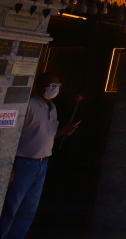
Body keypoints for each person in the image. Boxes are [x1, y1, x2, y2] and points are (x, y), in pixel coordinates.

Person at [0, 73, 77, 239]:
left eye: (57, 85)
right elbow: (9, 136)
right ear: (39, 85)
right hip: (22, 163)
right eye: (51, 85)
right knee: (11, 207)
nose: (54, 89)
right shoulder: (28, 105)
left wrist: (62, 132)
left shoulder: (52, 107)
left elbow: (44, 135)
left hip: (41, 164)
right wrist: (9, 164)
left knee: (28, 209)